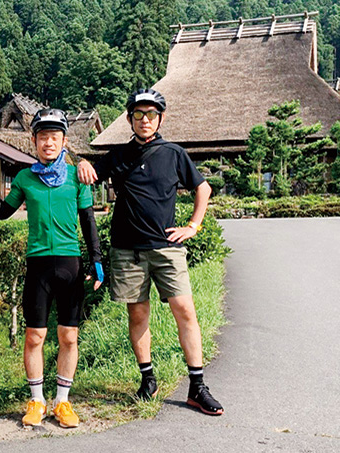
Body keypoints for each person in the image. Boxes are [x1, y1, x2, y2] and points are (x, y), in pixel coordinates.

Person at [77, 88, 223, 415]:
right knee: (138, 313)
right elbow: (88, 172)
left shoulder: (172, 153)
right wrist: (83, 163)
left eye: (152, 114)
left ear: (161, 118)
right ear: (129, 118)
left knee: (185, 310)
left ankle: (197, 386)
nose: (145, 120)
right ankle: (148, 378)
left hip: (166, 247)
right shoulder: (118, 154)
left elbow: (203, 187)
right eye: (139, 114)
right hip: (127, 249)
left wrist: (193, 226)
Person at [0, 108, 104, 429]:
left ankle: (62, 402)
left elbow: (88, 220)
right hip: (38, 264)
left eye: (55, 137)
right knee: (35, 335)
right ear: (34, 141)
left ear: (63, 141)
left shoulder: (78, 176)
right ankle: (36, 400)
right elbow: (4, 212)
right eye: (43, 137)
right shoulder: (24, 177)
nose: (48, 142)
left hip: (70, 264)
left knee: (69, 336)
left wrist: (98, 260)